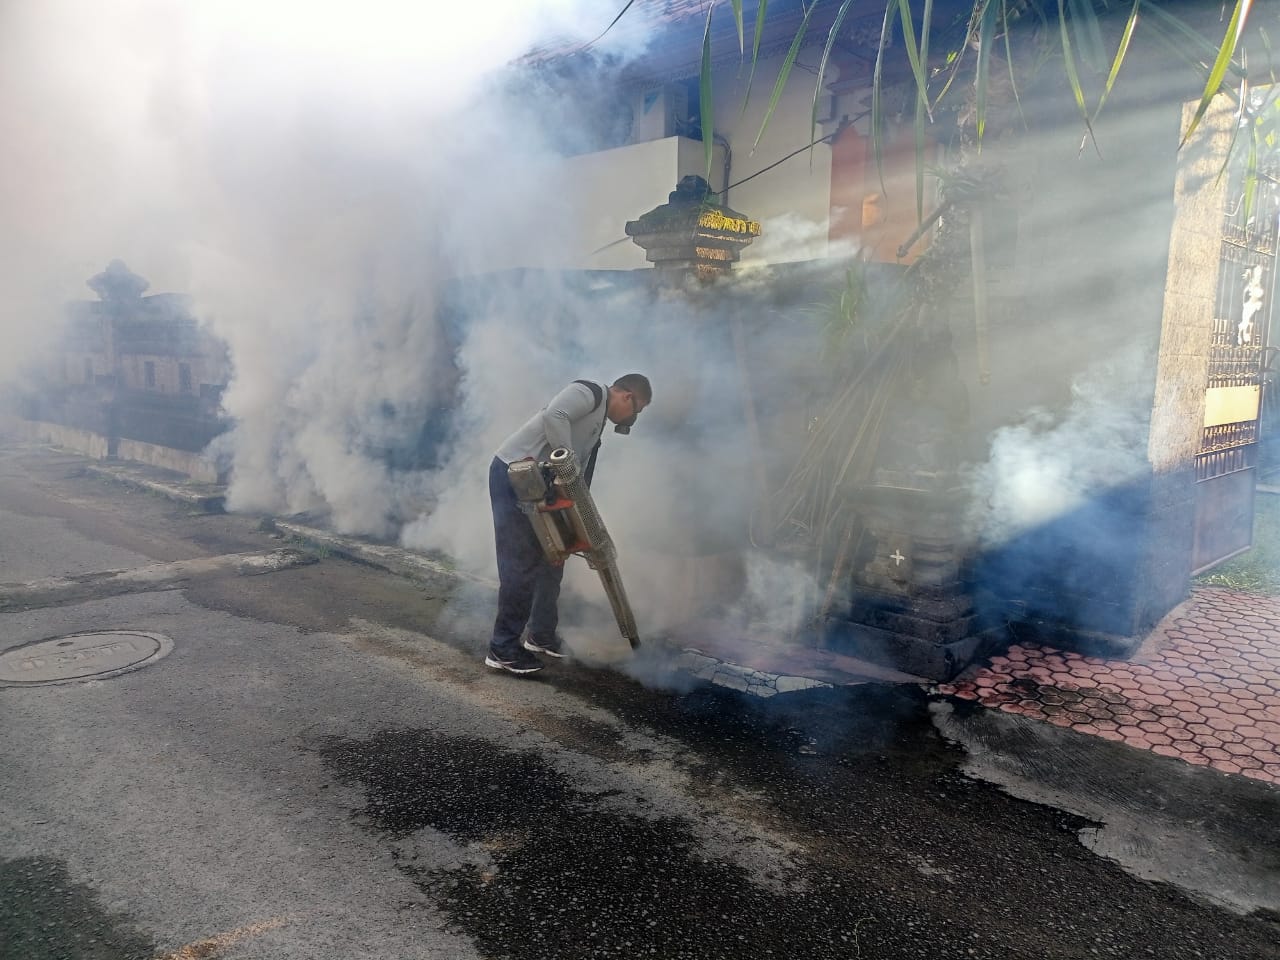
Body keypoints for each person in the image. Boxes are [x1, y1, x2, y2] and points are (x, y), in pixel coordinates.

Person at [486, 374, 652, 675]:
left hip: (541, 487)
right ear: (627, 396)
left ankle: (541, 635)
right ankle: (503, 649)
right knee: (521, 564)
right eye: (637, 409)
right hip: (514, 476)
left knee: (553, 560)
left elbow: (579, 478)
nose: (634, 417)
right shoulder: (590, 393)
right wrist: (567, 462)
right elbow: (555, 415)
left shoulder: (597, 426)